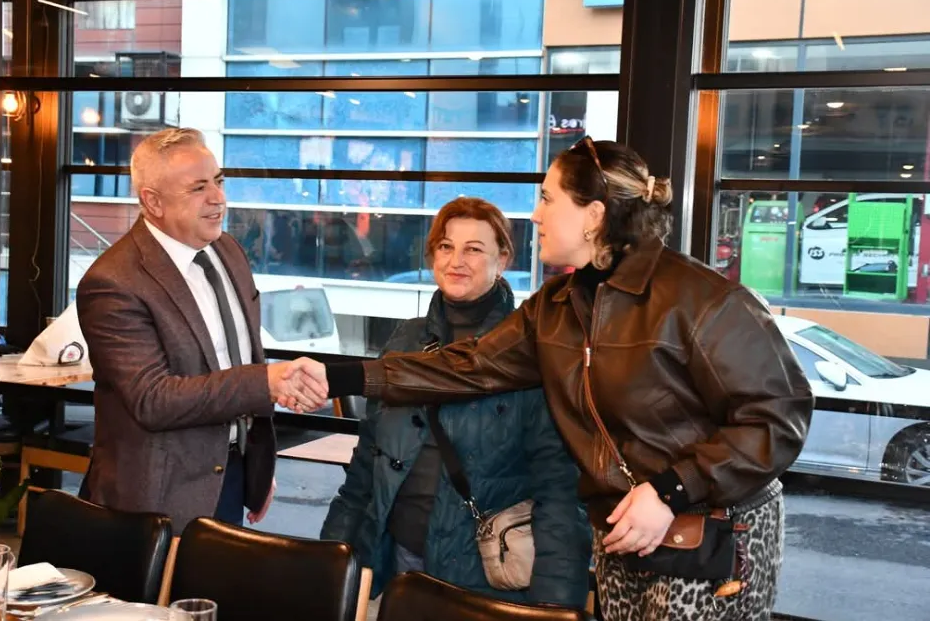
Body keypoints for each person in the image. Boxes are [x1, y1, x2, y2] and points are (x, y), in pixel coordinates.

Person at [289, 138, 814, 620]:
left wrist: (670, 490)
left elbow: (778, 417)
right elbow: (466, 366)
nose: (535, 215)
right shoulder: (557, 307)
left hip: (710, 537)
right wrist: (339, 376)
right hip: (625, 536)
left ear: (593, 216)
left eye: (547, 199)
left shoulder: (702, 300)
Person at [320, 197, 592, 613]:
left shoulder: (529, 351)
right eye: (446, 246)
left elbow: (559, 495)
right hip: (398, 566)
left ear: (503, 259)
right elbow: (364, 471)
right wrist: (328, 566)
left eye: (474, 249)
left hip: (485, 581)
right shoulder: (406, 341)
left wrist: (553, 608)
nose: (456, 261)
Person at [76, 128, 325, 533]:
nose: (218, 198)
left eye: (219, 181)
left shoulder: (228, 250)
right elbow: (153, 399)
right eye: (198, 188)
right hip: (157, 499)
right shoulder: (113, 282)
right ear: (153, 201)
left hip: (232, 475)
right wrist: (265, 382)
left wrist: (255, 464)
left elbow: (239, 357)